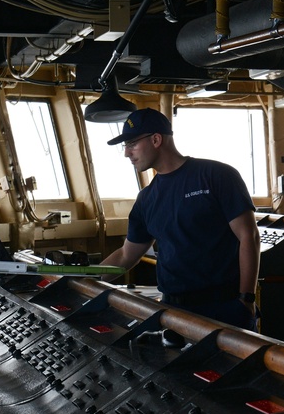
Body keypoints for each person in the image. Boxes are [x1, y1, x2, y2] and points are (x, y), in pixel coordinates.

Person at [100, 108, 260, 330]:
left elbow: (248, 236)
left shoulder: (216, 175)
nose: (127, 153)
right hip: (173, 310)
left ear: (156, 139)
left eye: (131, 144)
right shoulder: (146, 198)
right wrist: (84, 278)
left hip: (224, 307)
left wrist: (246, 299)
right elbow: (126, 255)